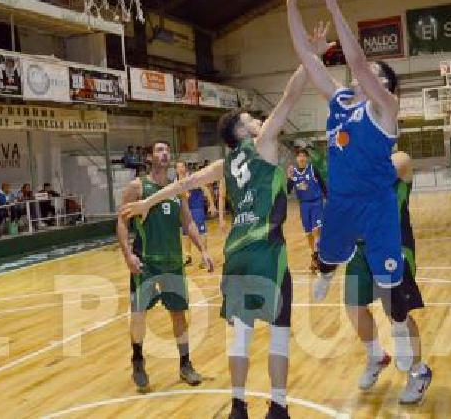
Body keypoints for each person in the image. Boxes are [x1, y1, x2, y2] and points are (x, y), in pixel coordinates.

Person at [120, 24, 326, 418]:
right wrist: (310, 54)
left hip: (236, 256)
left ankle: (237, 407)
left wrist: (148, 202)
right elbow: (291, 94)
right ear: (242, 131)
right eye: (250, 119)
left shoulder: (224, 163)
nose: (256, 121)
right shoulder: (263, 142)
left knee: (241, 336)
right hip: (266, 251)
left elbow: (186, 182)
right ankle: (278, 409)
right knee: (278, 333)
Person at [285, 0, 406, 296]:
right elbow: (306, 57)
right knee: (327, 257)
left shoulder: (385, 108)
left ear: (385, 88)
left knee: (388, 284)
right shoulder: (339, 99)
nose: (367, 77)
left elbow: (359, 63)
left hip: (377, 202)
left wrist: (335, 8)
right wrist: (291, 5)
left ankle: (397, 330)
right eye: (368, 75)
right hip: (340, 199)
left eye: (378, 77)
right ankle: (327, 272)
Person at [115, 141, 214, 393]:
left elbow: (188, 222)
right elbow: (122, 224)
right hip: (145, 262)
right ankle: (137, 360)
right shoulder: (137, 187)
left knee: (179, 314)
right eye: (159, 150)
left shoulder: (176, 189)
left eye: (167, 150)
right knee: (139, 315)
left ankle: (185, 364)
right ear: (149, 157)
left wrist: (202, 249)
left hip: (173, 262)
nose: (164, 153)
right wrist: (128, 256)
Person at [342, 152, 432, 404]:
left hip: (395, 246)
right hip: (360, 248)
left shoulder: (400, 159)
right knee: (353, 307)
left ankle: (418, 373)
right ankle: (376, 356)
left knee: (395, 312)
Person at [286, 147, 326, 272]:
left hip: (316, 202)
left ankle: (317, 256)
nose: (301, 158)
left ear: (306, 158)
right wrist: (289, 178)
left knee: (316, 230)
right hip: (304, 205)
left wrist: (328, 198)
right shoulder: (294, 173)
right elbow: (288, 190)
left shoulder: (313, 169)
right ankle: (315, 254)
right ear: (297, 159)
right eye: (299, 156)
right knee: (308, 233)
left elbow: (322, 184)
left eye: (304, 155)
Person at [176, 161, 218, 268]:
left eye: (181, 166)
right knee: (186, 234)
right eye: (178, 167)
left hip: (197, 209)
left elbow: (206, 189)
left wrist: (211, 204)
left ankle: (204, 257)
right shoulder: (176, 181)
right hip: (184, 210)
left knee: (201, 232)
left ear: (185, 168)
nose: (180, 169)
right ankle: (188, 257)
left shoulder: (193, 178)